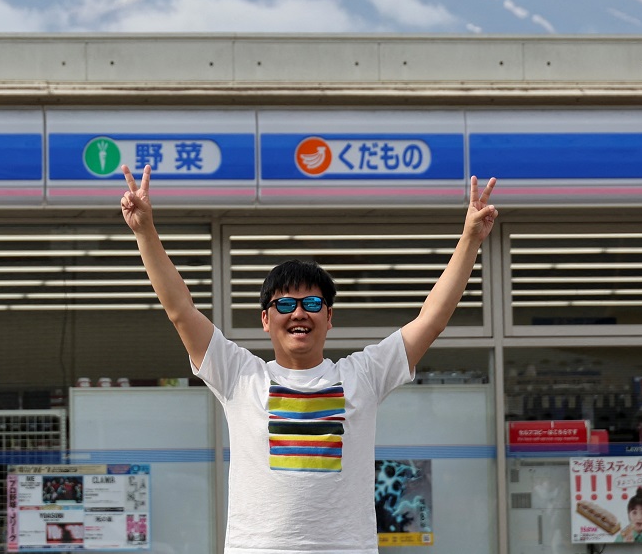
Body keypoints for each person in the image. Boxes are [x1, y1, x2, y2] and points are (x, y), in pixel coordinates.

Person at [120, 165, 497, 554]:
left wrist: (470, 239)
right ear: (266, 319)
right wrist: (145, 232)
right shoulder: (239, 376)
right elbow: (181, 310)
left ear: (329, 316)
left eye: (312, 303)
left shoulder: (362, 376)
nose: (299, 313)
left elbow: (431, 320)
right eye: (285, 303)